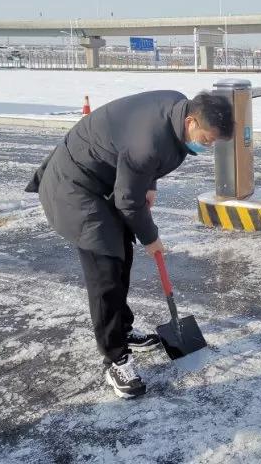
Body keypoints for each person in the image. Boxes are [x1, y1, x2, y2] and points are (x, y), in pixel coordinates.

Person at [26, 90, 233, 399]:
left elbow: (141, 158)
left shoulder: (177, 107)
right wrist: (151, 237)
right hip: (74, 186)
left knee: (121, 252)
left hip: (106, 179)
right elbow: (129, 196)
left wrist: (148, 184)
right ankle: (115, 358)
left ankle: (122, 329)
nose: (208, 146)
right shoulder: (148, 143)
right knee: (106, 270)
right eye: (207, 139)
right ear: (191, 122)